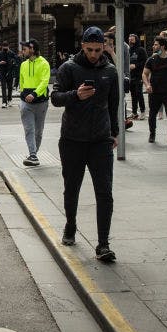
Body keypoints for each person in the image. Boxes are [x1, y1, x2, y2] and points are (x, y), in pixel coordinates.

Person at [51, 26, 119, 260]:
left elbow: (114, 104)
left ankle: (103, 244)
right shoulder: (68, 68)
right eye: (89, 50)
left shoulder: (110, 71)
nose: (93, 54)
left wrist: (115, 133)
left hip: (101, 140)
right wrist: (75, 95)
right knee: (72, 188)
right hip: (72, 140)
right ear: (82, 46)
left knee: (105, 192)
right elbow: (55, 98)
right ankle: (70, 225)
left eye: (98, 50)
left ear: (103, 47)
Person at [17, 40, 51, 167]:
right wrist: (22, 93)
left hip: (41, 102)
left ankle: (33, 155)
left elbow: (45, 81)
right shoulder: (23, 64)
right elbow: (21, 80)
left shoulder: (44, 63)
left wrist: (35, 94)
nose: (23, 52)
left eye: (25, 49)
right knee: (29, 129)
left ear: (32, 49)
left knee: (38, 131)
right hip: (26, 103)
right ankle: (32, 154)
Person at [142, 35, 167, 146]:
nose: (153, 46)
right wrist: (147, 85)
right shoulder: (151, 60)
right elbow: (144, 74)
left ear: (162, 46)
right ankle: (152, 134)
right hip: (154, 92)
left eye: (155, 44)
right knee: (152, 114)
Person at [127, 34, 147, 119]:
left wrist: (136, 65)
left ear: (136, 40)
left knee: (139, 93)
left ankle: (142, 111)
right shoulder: (129, 50)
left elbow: (145, 62)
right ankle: (134, 112)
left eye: (132, 39)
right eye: (129, 40)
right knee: (133, 94)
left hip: (139, 75)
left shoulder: (141, 50)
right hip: (131, 75)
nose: (130, 41)